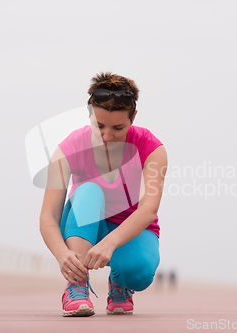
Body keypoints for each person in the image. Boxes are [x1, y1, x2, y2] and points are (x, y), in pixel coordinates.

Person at [39, 72, 168, 317]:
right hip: (86, 223)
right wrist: (62, 254)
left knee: (138, 274)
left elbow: (148, 209)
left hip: (132, 227)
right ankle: (76, 286)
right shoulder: (67, 149)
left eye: (118, 128)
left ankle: (120, 283)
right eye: (99, 126)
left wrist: (110, 244)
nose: (107, 137)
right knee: (88, 190)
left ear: (133, 118)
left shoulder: (152, 149)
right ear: (89, 115)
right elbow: (48, 215)